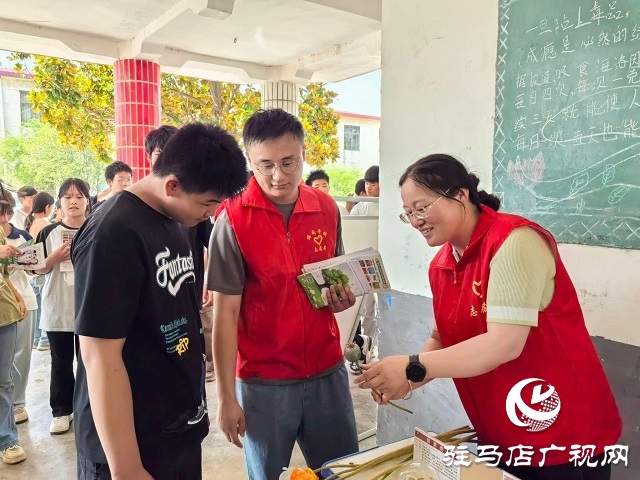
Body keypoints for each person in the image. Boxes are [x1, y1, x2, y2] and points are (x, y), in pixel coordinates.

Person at [356, 154, 622, 480]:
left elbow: (504, 344)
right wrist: (407, 379)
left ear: (461, 195)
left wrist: (412, 366)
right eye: (408, 213)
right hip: (500, 431)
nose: (416, 221)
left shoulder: (514, 241)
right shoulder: (442, 264)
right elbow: (441, 337)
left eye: (422, 208)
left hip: (560, 432)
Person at [72, 123, 248, 480]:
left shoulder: (177, 218)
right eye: (207, 204)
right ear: (172, 185)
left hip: (176, 428)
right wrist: (127, 467)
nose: (209, 215)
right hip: (131, 446)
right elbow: (99, 355)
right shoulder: (113, 232)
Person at [208, 108, 359, 480]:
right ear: (250, 161)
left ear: (304, 154)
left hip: (326, 371)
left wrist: (342, 298)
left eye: (288, 163)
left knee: (340, 473)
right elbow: (225, 315)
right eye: (266, 165)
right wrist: (226, 397)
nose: (278, 176)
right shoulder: (233, 219)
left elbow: (332, 281)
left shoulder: (326, 208)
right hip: (264, 383)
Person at [144, 124, 216, 382]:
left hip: (189, 302)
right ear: (149, 158)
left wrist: (211, 282)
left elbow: (214, 244)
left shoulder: (193, 206)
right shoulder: (132, 217)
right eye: (160, 155)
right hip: (154, 316)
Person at [35, 178, 92, 435]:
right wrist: (53, 258)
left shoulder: (97, 227)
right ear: (59, 201)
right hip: (58, 308)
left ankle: (87, 409)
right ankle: (61, 411)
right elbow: (34, 269)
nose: (73, 202)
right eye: (68, 197)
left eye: (79, 196)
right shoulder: (48, 232)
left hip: (90, 308)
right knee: (60, 363)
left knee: (89, 362)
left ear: (87, 201)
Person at [0, 197, 38, 426]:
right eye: (0, 212)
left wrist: (26, 264)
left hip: (22, 299)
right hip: (7, 302)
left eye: (7, 212)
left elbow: (36, 268)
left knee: (20, 356)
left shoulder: (22, 236)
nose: (4, 218)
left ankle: (18, 404)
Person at [0, 181, 28, 465]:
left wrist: (17, 296)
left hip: (4, 312)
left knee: (3, 380)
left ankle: (8, 439)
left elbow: (4, 275)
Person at [26, 192, 55, 351]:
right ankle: (44, 340)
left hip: (32, 272)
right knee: (47, 305)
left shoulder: (30, 222)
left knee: (38, 306)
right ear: (47, 207)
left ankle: (37, 339)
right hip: (43, 269)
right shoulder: (45, 224)